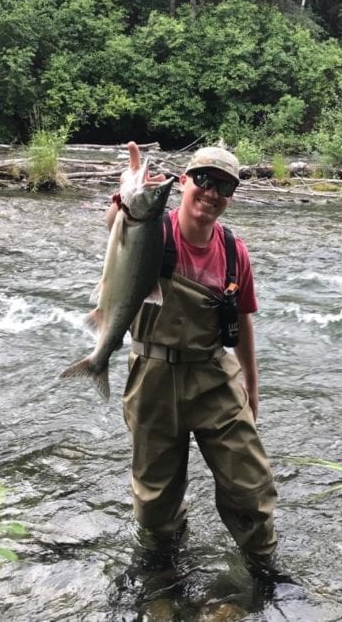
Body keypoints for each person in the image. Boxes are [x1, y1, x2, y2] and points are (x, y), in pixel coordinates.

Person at [106, 141, 278, 572]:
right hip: (152, 375)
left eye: (224, 186)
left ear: (231, 196)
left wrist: (252, 390)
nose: (212, 192)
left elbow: (243, 323)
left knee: (251, 485)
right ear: (183, 182)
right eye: (203, 179)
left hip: (214, 374)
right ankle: (164, 572)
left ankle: (262, 571)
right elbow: (117, 223)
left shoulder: (236, 251)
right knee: (155, 499)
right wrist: (126, 191)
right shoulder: (151, 227)